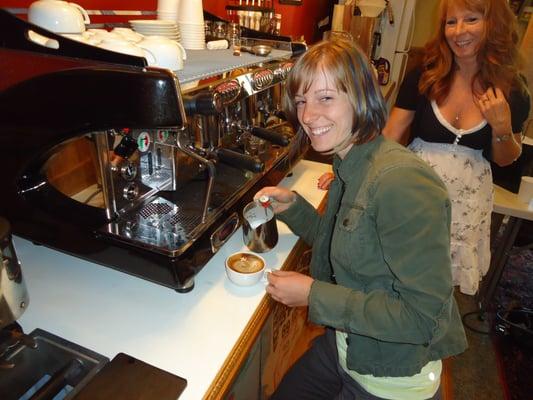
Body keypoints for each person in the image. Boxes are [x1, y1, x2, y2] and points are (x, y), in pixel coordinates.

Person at [255, 39, 467, 400]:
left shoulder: (400, 181)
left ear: (361, 98)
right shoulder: (350, 161)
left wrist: (313, 294)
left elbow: (422, 317)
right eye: (302, 101)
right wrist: (294, 207)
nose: (306, 116)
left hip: (389, 378)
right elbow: (353, 247)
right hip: (345, 348)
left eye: (325, 98)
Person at [382, 0, 531, 295]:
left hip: (463, 210)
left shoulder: (512, 89)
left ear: (492, 23)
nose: (459, 31)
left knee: (436, 293)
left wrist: (501, 128)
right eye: (451, 22)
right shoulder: (425, 74)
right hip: (413, 197)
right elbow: (391, 134)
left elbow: (506, 159)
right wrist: (354, 170)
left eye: (471, 19)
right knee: (392, 277)